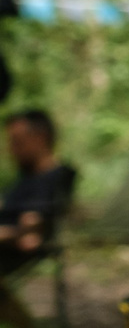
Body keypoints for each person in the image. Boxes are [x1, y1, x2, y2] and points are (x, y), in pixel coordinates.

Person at [1, 110, 75, 279]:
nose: (11, 150)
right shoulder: (28, 176)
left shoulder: (53, 178)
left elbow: (30, 229)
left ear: (40, 138)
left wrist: (20, 233)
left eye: (18, 142)